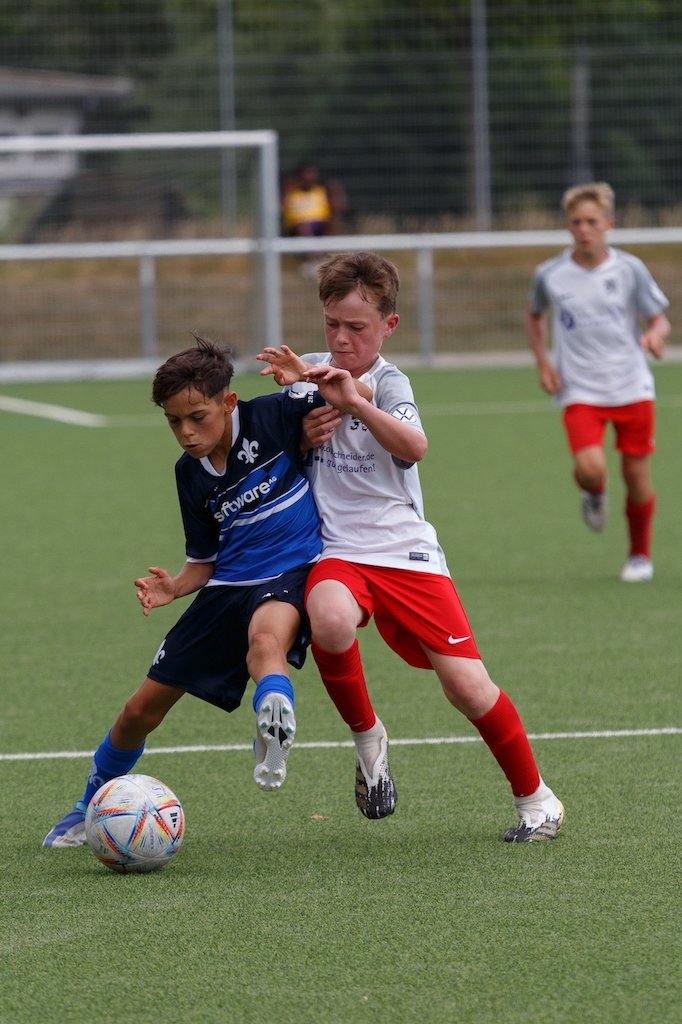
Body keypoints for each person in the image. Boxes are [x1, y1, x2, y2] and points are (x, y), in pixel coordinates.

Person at [257, 251, 565, 842]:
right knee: (328, 617)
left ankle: (537, 799)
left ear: (388, 325)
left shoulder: (390, 381)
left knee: (466, 687)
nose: (341, 339)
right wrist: (299, 433)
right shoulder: (308, 373)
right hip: (338, 550)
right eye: (332, 324)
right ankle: (368, 738)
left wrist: (355, 404)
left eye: (357, 327)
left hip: (405, 552)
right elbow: (274, 453)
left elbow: (414, 445)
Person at [43, 336, 328, 848]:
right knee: (139, 711)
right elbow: (204, 560)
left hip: (290, 571)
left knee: (265, 643)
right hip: (225, 587)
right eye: (174, 422)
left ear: (229, 402)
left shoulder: (272, 414)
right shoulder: (188, 474)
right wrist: (174, 587)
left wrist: (306, 377)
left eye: (197, 417)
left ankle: (273, 717)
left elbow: (355, 394)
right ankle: (87, 808)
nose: (186, 432)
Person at [526, 182, 670, 582]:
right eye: (576, 222)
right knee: (590, 469)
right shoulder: (550, 274)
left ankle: (639, 556)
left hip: (631, 385)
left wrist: (655, 335)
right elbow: (535, 315)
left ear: (609, 224)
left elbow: (658, 319)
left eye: (592, 221)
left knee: (636, 478)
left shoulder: (629, 269)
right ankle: (593, 493)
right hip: (579, 388)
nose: (584, 229)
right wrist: (543, 362)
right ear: (567, 226)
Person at [281, 164, 346, 277]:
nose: (309, 177)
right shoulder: (291, 191)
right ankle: (315, 262)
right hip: (297, 227)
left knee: (331, 224)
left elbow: (338, 207)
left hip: (319, 224)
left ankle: (328, 260)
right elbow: (280, 206)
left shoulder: (321, 190)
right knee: (304, 228)